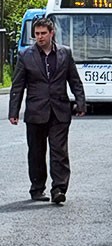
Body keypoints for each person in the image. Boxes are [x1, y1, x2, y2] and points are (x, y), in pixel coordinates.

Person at [7, 17, 86, 205]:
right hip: (35, 112)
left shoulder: (65, 54)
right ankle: (37, 188)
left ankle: (59, 188)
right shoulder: (26, 56)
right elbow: (17, 86)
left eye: (43, 33)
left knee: (59, 152)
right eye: (37, 34)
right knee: (36, 152)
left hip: (59, 111)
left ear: (52, 33)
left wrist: (80, 102)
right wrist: (14, 111)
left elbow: (74, 80)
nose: (40, 37)